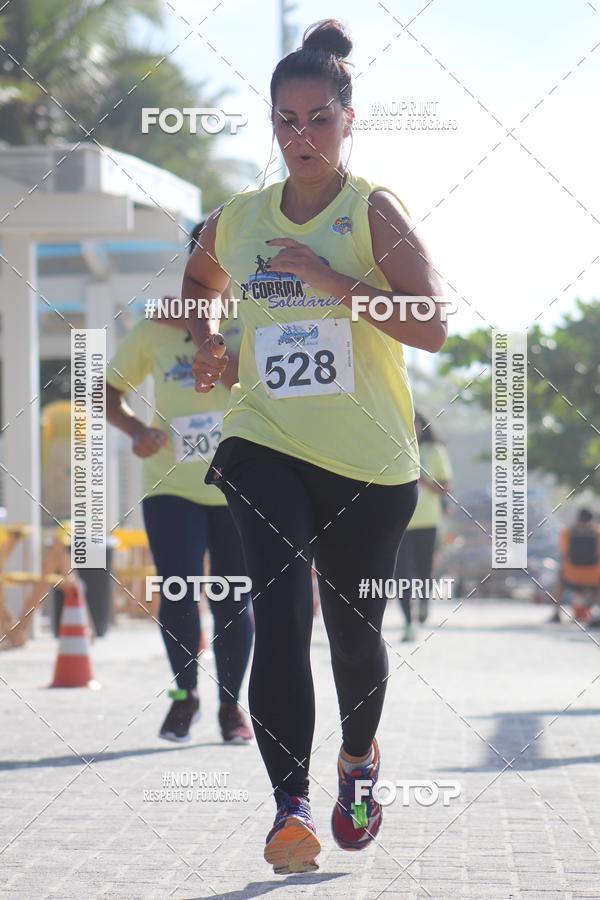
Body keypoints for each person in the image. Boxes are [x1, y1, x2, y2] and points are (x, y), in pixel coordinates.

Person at [175, 19, 447, 874]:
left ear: (348, 119)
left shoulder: (373, 210)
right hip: (265, 439)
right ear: (270, 126)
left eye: (318, 120)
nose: (302, 137)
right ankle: (289, 809)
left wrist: (334, 281)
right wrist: (210, 338)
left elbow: (432, 325)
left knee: (354, 636)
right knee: (282, 613)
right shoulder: (239, 220)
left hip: (370, 461)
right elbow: (197, 284)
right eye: (286, 121)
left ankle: (358, 762)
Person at [105, 221, 253, 744]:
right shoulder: (152, 328)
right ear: (192, 264)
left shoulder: (252, 319)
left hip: (238, 481)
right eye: (204, 258)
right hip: (170, 483)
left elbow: (263, 383)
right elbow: (103, 390)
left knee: (234, 598)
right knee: (178, 590)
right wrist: (136, 429)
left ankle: (232, 709)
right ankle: (182, 695)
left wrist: (210, 343)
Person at [395, 411, 453, 641]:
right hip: (400, 522)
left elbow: (446, 487)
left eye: (415, 422)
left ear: (422, 426)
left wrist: (422, 480)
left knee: (422, 570)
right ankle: (408, 621)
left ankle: (424, 603)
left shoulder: (434, 451)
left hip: (428, 521)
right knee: (400, 574)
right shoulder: (394, 448)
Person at [549, 508, 600, 623]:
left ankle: (556, 613)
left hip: (571, 575)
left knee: (559, 581)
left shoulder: (567, 532)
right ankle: (598, 613)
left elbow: (563, 552)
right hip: (594, 578)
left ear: (578, 518)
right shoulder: (597, 533)